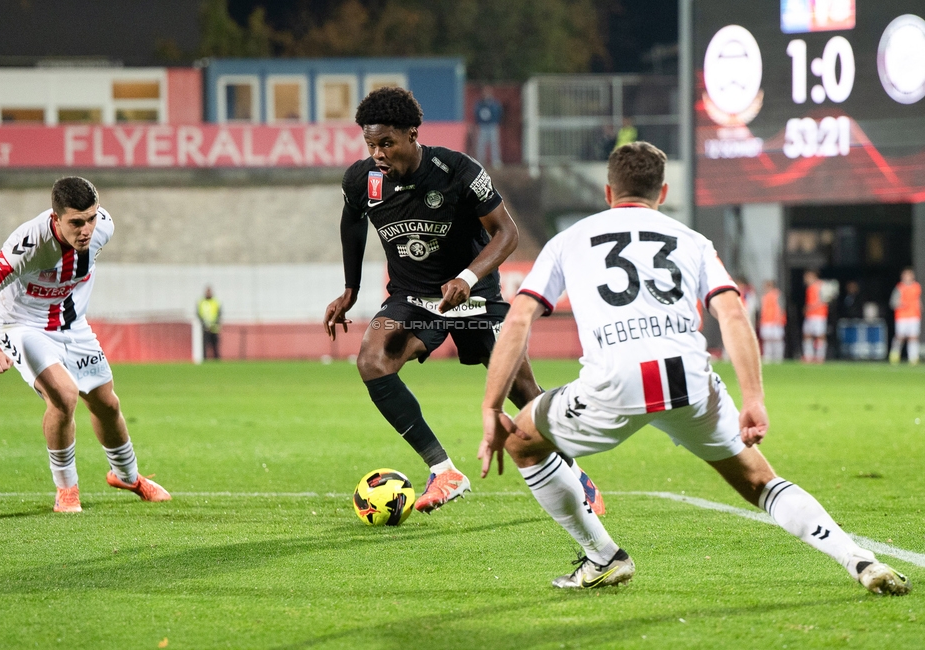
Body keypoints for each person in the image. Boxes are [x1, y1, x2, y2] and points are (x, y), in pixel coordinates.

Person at [478, 142, 909, 595]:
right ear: (662, 192)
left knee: (523, 441)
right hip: (691, 380)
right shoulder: (692, 240)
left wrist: (492, 406)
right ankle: (860, 559)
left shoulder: (569, 240)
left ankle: (603, 557)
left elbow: (520, 317)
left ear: (608, 191)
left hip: (615, 381)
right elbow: (733, 315)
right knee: (761, 479)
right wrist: (754, 399)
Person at [323, 87, 602, 515]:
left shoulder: (457, 171)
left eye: (386, 143)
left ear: (412, 134)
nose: (377, 153)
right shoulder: (363, 179)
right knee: (372, 360)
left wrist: (468, 277)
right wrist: (351, 288)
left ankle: (575, 473)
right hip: (412, 299)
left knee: (521, 387)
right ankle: (444, 470)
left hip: (475, 297)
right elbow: (352, 225)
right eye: (370, 144)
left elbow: (506, 233)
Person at [0, 177, 171, 513]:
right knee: (64, 397)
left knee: (107, 404)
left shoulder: (104, 228)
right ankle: (67, 490)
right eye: (76, 222)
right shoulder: (27, 246)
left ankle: (127, 476)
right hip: (22, 327)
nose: (86, 229)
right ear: (55, 219)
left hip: (73, 327)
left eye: (91, 218)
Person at [889, 267, 921, 365]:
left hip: (914, 315)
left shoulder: (916, 287)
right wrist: (900, 304)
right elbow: (892, 302)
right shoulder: (899, 288)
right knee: (900, 336)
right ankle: (894, 354)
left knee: (913, 337)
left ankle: (913, 357)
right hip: (902, 316)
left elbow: (917, 299)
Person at [802, 270, 829, 363]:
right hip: (810, 315)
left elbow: (824, 300)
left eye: (807, 277)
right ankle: (808, 355)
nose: (805, 280)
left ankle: (820, 356)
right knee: (807, 335)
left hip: (819, 315)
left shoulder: (821, 285)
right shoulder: (809, 288)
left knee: (820, 335)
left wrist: (811, 307)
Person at [473, 86, 503, 169]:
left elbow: (498, 113)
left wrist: (496, 122)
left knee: (494, 144)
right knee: (481, 144)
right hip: (482, 126)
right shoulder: (479, 103)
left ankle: (496, 161)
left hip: (492, 125)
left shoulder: (494, 103)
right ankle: (480, 162)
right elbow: (476, 113)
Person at [759, 280, 786, 364]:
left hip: (776, 322)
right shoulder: (764, 297)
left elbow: (781, 308)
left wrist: (778, 319)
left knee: (777, 340)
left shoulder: (777, 295)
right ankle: (768, 356)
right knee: (767, 340)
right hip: (766, 321)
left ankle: (778, 357)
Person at [198, 285, 222, 360]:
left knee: (215, 344)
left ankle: (216, 360)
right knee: (205, 345)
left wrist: (214, 323)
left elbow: (219, 313)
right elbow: (199, 314)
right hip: (205, 327)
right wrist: (204, 324)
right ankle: (204, 360)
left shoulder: (216, 302)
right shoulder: (201, 302)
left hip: (214, 327)